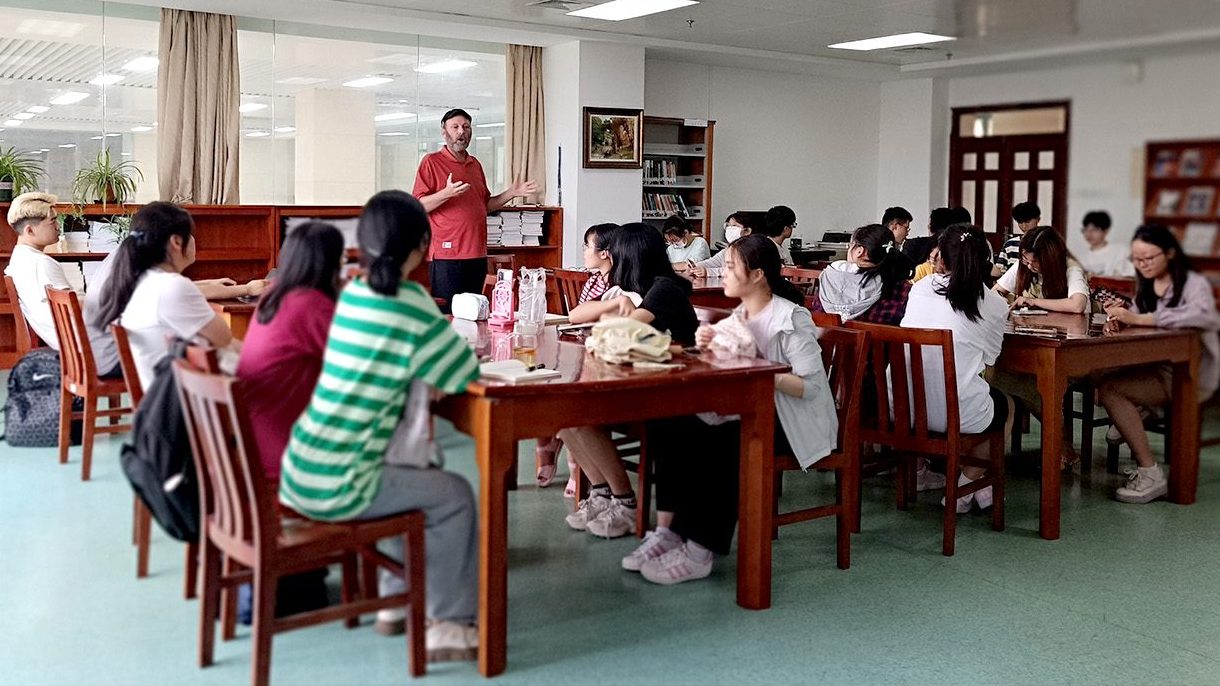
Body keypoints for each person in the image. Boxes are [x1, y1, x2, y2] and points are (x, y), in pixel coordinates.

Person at [278, 190, 481, 662]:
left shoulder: (353, 292)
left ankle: (396, 601)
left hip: (304, 464)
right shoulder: (412, 301)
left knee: (402, 468)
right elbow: (461, 374)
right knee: (453, 494)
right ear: (424, 245)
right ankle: (450, 623)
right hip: (344, 481)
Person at [624, 234, 837, 584]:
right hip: (754, 410)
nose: (721, 273)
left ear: (756, 275)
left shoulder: (791, 318)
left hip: (793, 421)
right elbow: (730, 365)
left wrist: (755, 366)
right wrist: (710, 347)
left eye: (729, 267)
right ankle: (670, 532)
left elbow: (810, 388)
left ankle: (700, 549)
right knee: (672, 423)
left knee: (720, 439)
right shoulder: (741, 314)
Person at [561, 223, 698, 539]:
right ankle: (601, 492)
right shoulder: (642, 287)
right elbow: (593, 321)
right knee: (564, 418)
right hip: (644, 380)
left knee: (581, 418)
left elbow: (617, 333)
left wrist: (609, 319)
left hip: (673, 393)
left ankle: (624, 501)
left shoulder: (662, 289)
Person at [1097, 225, 1220, 504]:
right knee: (1098, 371)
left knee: (1111, 390)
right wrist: (1120, 321)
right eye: (1137, 260)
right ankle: (1134, 415)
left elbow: (1202, 315)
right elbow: (1138, 318)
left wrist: (1140, 320)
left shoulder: (1192, 283)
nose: (1142, 265)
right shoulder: (1147, 283)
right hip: (1157, 366)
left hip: (1189, 374)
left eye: (1148, 259)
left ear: (1170, 254)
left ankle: (1149, 470)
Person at [901, 225, 1010, 512]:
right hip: (954, 414)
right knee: (1004, 404)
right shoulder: (995, 304)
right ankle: (966, 484)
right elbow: (989, 368)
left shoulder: (921, 289)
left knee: (977, 396)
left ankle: (979, 484)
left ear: (941, 259)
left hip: (902, 408)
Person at [236, 221, 345, 479]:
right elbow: (355, 366)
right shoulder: (312, 305)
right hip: (289, 453)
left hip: (253, 442)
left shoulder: (273, 298)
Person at [91, 202, 236, 391]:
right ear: (176, 242)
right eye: (191, 234)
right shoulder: (173, 286)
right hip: (185, 402)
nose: (194, 240)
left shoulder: (141, 281)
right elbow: (224, 337)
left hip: (158, 398)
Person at [412, 108, 538, 311]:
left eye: (466, 127)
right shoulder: (431, 162)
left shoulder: (475, 165)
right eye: (455, 127)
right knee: (449, 315)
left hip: (477, 254)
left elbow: (484, 205)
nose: (461, 132)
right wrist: (446, 193)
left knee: (476, 314)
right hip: (447, 256)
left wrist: (511, 193)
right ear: (444, 132)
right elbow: (417, 206)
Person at [535, 223, 620, 495]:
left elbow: (582, 315)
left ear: (605, 253)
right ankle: (551, 443)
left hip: (598, 354)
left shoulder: (618, 281)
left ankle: (575, 464)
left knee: (569, 395)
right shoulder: (593, 277)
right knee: (545, 381)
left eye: (587, 246)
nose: (583, 251)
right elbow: (580, 312)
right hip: (581, 345)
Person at [4, 192, 121, 377]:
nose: (59, 227)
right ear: (29, 230)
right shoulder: (41, 264)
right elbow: (74, 308)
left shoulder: (17, 261)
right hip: (85, 350)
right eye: (52, 222)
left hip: (65, 344)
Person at [812, 223, 915, 325]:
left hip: (828, 339)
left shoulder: (829, 279)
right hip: (878, 341)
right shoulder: (902, 289)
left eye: (850, 245)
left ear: (860, 251)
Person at [993, 226, 1089, 314]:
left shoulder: (1071, 268)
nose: (1029, 267)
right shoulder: (1023, 264)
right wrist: (999, 299)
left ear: (1050, 259)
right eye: (1026, 260)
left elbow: (1077, 305)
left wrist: (1033, 301)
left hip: (1065, 328)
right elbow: (995, 291)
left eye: (1034, 262)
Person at [683, 212, 753, 277]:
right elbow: (712, 262)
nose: (730, 229)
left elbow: (737, 271)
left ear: (747, 231)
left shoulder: (752, 250)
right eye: (728, 226)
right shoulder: (727, 250)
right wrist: (695, 267)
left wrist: (708, 272)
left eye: (734, 226)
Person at [1077, 211, 1134, 277]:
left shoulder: (1122, 251)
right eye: (1086, 229)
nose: (1089, 234)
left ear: (1106, 231)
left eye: (1094, 229)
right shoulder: (1081, 259)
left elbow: (1132, 277)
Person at [993, 201, 1040, 277]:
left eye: (1027, 222)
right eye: (1020, 222)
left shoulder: (1045, 243)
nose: (1024, 226)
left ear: (1038, 219)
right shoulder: (1010, 244)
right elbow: (1001, 270)